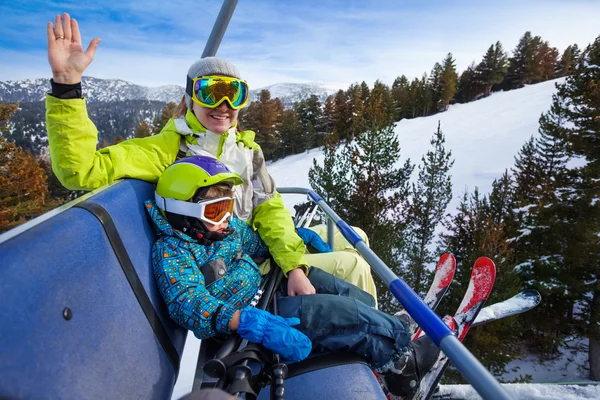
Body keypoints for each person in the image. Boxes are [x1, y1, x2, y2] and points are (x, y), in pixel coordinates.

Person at [45, 12, 376, 301]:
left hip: (259, 245)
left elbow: (269, 208)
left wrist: (292, 260)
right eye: (210, 92)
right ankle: (386, 363)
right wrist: (66, 85)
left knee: (356, 235)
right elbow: (81, 170)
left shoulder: (248, 151)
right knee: (354, 264)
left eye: (234, 95)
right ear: (190, 98)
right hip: (234, 266)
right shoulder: (167, 150)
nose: (224, 106)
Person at [147, 155, 440, 397]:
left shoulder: (224, 231)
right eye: (216, 210)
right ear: (183, 213)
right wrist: (245, 321)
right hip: (254, 318)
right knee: (341, 313)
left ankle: (383, 335)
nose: (226, 218)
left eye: (229, 207)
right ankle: (403, 366)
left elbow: (256, 243)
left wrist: (298, 238)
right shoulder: (172, 252)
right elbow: (187, 303)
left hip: (270, 288)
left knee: (346, 292)